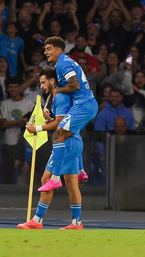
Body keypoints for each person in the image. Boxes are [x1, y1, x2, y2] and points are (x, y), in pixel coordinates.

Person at [18, 66, 84, 229]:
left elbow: (60, 125)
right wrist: (52, 120)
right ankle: (77, 222)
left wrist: (37, 128)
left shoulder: (60, 97)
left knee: (47, 179)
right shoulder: (63, 96)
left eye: (42, 82)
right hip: (74, 141)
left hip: (66, 143)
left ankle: (37, 221)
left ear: (52, 80)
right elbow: (64, 122)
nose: (41, 86)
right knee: (71, 183)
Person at [38, 37, 99, 203]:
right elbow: (59, 89)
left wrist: (36, 129)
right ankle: (80, 172)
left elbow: (75, 85)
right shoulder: (61, 65)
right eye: (45, 49)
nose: (46, 52)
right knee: (69, 134)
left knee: (58, 135)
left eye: (49, 49)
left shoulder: (64, 64)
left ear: (59, 50)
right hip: (84, 105)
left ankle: (55, 179)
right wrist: (48, 105)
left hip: (84, 105)